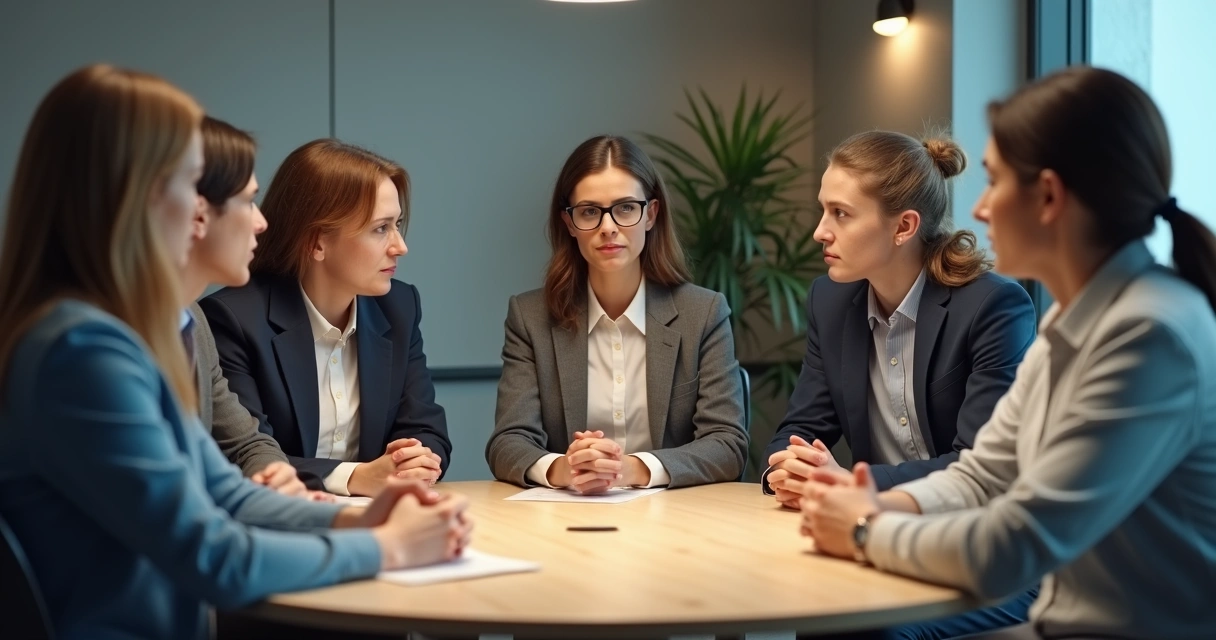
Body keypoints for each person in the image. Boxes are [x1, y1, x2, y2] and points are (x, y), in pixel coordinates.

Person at [0, 64, 472, 640]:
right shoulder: (84, 351)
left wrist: (359, 517)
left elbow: (225, 492)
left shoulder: (128, 333)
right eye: (196, 182)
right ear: (143, 196)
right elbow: (215, 556)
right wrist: (383, 547)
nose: (256, 218)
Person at [801, 66, 1216, 640]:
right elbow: (982, 475)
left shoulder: (1147, 335)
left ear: (1048, 196)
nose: (979, 208)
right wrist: (868, 500)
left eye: (994, 182)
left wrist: (867, 530)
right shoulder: (1072, 320)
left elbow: (1019, 543)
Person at [762, 130, 1038, 639]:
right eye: (823, 211)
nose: (820, 232)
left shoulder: (993, 306)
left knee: (871, 629)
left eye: (841, 214)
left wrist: (849, 484)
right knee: (813, 608)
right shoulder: (831, 299)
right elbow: (797, 428)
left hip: (986, 549)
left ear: (903, 226)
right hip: (879, 534)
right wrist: (790, 468)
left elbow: (980, 466)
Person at [486, 135, 748, 492]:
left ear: (651, 214)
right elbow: (508, 442)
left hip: (677, 521)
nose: (608, 227)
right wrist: (566, 468)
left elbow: (727, 444)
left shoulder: (702, 313)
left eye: (625, 208)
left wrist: (631, 470)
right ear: (570, 224)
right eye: (590, 211)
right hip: (568, 519)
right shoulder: (530, 317)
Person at [200, 139, 451, 497]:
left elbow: (427, 428)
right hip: (278, 520)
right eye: (380, 228)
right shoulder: (234, 319)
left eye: (397, 224)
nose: (400, 246)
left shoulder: (399, 305)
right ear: (317, 242)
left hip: (378, 515)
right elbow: (246, 455)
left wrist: (417, 460)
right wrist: (354, 477)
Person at [181, 115, 307, 496]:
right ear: (198, 213)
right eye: (249, 201)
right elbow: (180, 518)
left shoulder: (191, 319)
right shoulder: (95, 342)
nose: (262, 222)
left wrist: (281, 484)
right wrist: (378, 540)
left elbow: (246, 443)